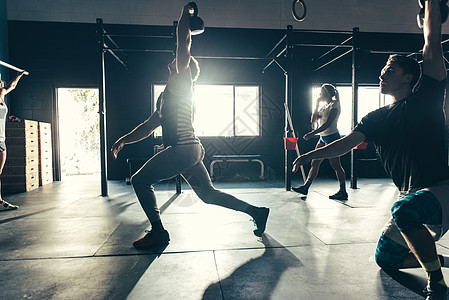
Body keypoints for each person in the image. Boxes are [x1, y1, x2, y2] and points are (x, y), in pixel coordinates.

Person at [293, 1, 449, 299]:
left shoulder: (426, 97)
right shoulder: (375, 119)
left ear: (408, 77)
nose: (381, 75)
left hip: (441, 188)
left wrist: (431, 4)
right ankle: (440, 260)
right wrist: (308, 154)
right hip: (413, 193)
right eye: (381, 71)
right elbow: (344, 144)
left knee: (404, 210)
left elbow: (432, 42)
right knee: (385, 260)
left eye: (389, 70)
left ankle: (437, 283)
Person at [111, 3, 269, 250]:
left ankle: (158, 232)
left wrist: (186, 13)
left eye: (178, 59)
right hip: (190, 149)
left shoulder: (182, 81)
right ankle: (256, 212)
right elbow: (147, 126)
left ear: (184, 69)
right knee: (208, 194)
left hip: (183, 149)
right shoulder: (167, 97)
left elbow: (183, 41)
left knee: (140, 180)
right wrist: (123, 139)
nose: (173, 59)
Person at [291, 84, 347, 200]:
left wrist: (312, 133)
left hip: (332, 137)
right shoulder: (324, 106)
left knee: (336, 165)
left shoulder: (335, 104)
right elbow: (313, 120)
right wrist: (316, 105)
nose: (320, 95)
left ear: (327, 93)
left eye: (321, 92)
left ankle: (343, 191)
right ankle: (306, 187)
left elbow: (328, 124)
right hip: (323, 137)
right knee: (315, 163)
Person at [0, 71, 26, 211]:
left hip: (1, 140)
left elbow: (12, 85)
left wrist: (19, 75)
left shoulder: (2, 95)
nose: (1, 85)